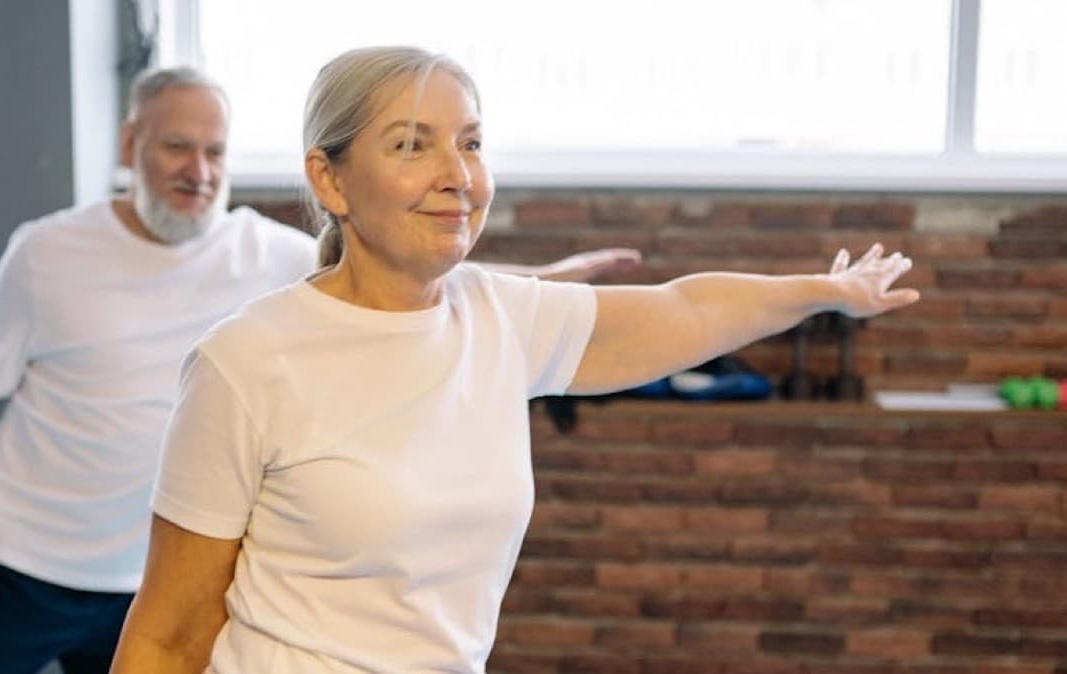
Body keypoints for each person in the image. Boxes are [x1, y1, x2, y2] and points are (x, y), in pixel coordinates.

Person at [110, 46, 920, 673]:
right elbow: (170, 632)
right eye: (411, 145)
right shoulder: (246, 361)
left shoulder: (502, 318)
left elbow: (683, 309)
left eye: (469, 142)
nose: (456, 175)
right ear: (331, 179)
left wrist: (824, 290)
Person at [0, 65, 636, 674]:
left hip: (152, 577)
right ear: (130, 142)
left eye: (215, 152)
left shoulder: (264, 255)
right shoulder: (47, 253)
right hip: (26, 558)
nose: (198, 170)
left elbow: (415, 264)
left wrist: (557, 277)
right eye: (177, 147)